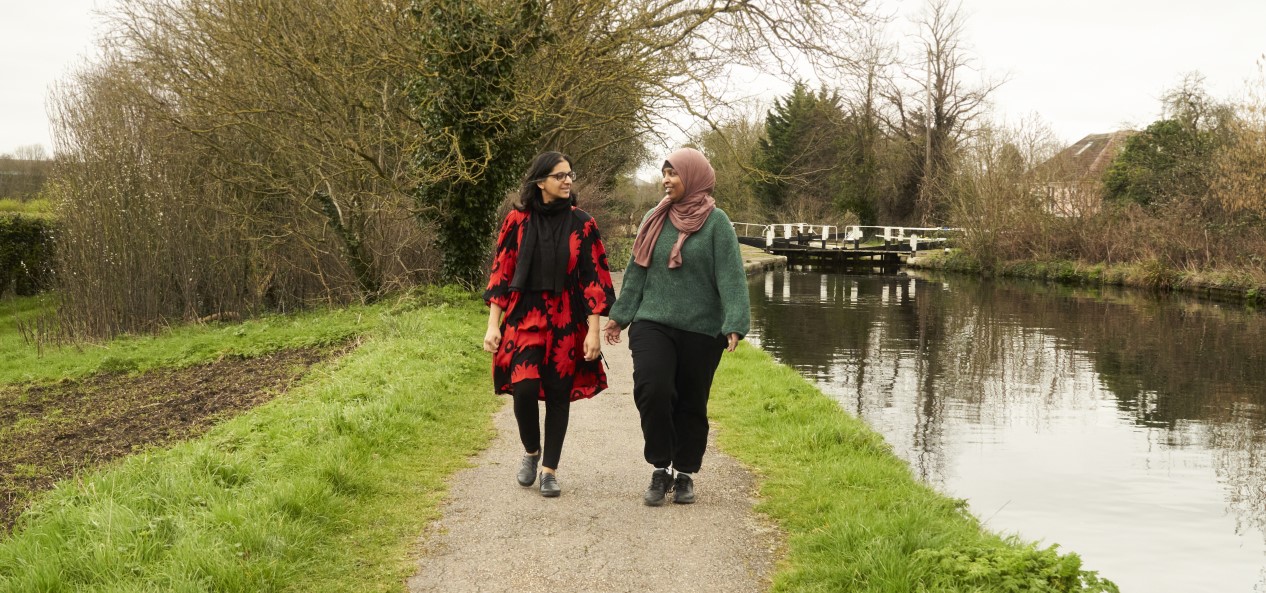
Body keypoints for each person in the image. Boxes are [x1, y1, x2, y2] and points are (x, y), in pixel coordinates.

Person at [602, 147, 750, 506]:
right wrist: (621, 315)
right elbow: (637, 271)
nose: (666, 180)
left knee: (691, 402)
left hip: (702, 329)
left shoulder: (717, 223)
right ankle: (660, 467)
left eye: (673, 173)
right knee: (652, 389)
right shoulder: (654, 218)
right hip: (654, 321)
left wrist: (734, 322)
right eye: (664, 173)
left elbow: (730, 277)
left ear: (694, 176)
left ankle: (684, 473)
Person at [483, 151, 616, 498]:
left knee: (559, 395)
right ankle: (531, 450)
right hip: (524, 314)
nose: (567, 180)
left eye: (570, 174)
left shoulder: (583, 223)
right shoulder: (517, 220)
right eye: (559, 175)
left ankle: (549, 470)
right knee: (523, 389)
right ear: (540, 181)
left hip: (566, 318)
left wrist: (593, 331)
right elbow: (502, 271)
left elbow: (594, 280)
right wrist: (492, 325)